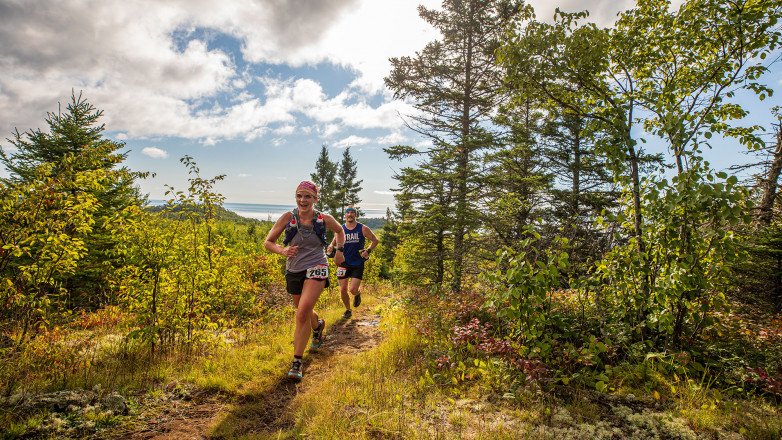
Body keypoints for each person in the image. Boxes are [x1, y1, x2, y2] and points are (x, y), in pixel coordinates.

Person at [264, 181, 345, 380]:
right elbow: (268, 242)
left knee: (301, 313)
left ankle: (297, 362)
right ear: (296, 198)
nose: (303, 200)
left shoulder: (324, 219)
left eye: (307, 196)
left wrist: (339, 251)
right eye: (299, 195)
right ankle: (317, 326)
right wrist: (283, 250)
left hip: (317, 265)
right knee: (303, 309)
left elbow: (340, 231)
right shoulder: (287, 218)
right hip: (294, 269)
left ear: (315, 199)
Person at [327, 206, 379, 319]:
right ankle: (348, 310)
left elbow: (375, 240)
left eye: (352, 213)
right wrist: (330, 247)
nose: (350, 215)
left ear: (355, 215)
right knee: (342, 289)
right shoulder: (340, 229)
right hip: (343, 262)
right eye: (348, 213)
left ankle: (357, 294)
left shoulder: (363, 228)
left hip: (357, 263)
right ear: (345, 215)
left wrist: (368, 251)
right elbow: (333, 243)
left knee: (353, 289)